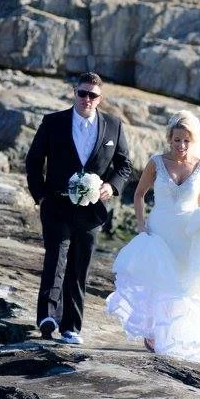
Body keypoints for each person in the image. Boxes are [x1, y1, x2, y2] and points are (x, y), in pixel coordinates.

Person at [106, 110, 200, 364]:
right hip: (160, 230)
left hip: (187, 235)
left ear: (193, 140)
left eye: (186, 140)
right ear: (170, 139)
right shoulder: (156, 162)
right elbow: (139, 194)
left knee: (184, 286)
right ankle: (154, 333)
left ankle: (177, 336)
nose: (181, 145)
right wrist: (141, 224)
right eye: (177, 140)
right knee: (158, 282)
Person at [25, 73, 133, 344]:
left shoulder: (114, 126)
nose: (87, 99)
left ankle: (72, 327)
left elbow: (124, 165)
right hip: (56, 204)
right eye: (82, 93)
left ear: (100, 98)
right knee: (56, 258)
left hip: (92, 209)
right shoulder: (53, 122)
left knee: (79, 266)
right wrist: (40, 196)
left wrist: (111, 186)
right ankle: (48, 318)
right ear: (74, 92)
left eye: (92, 95)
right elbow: (34, 160)